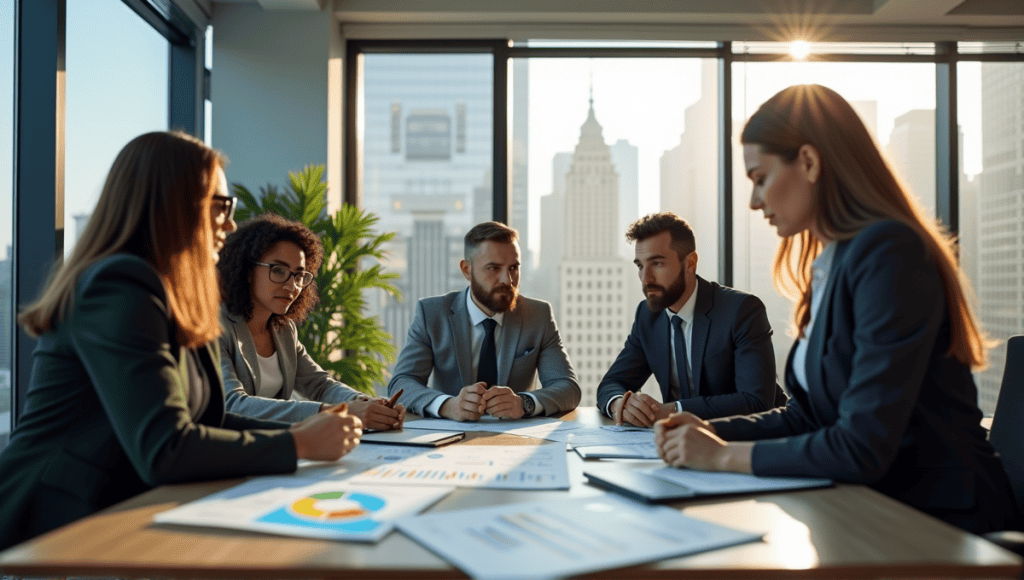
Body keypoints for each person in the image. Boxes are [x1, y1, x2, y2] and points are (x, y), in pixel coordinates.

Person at [654, 84, 1015, 534]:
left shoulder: (890, 254)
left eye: (760, 178)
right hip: (872, 509)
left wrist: (722, 456)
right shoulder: (834, 262)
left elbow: (861, 446)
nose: (753, 201)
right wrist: (714, 431)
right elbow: (807, 417)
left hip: (945, 522)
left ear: (808, 161)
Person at [0, 132, 362, 550]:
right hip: (51, 525)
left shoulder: (181, 297)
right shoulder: (119, 285)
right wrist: (298, 442)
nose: (230, 224)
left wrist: (306, 429)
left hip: (118, 510)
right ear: (172, 204)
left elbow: (208, 421)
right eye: (221, 207)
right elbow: (166, 447)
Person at [217, 213, 405, 429]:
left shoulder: (284, 330)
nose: (292, 286)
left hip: (276, 447)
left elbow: (320, 386)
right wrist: (334, 412)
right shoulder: (215, 326)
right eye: (278, 270)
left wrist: (368, 404)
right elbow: (232, 404)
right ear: (248, 270)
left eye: (299, 275)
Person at [596, 213, 784, 426]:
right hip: (680, 444)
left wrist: (673, 410)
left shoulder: (742, 310)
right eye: (640, 266)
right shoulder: (648, 315)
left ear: (690, 263)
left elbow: (756, 402)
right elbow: (611, 383)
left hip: (750, 441)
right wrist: (620, 403)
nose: (645, 278)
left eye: (656, 264)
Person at [388, 221, 580, 420]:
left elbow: (568, 387)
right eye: (494, 268)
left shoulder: (538, 315)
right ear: (466, 270)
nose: (508, 280)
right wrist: (448, 405)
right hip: (449, 439)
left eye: (513, 268)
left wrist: (525, 403)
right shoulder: (432, 314)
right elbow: (402, 382)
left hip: (514, 439)